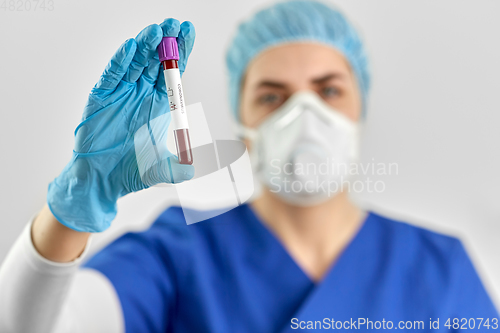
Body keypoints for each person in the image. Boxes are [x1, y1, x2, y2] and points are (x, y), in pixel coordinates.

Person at [0, 1, 498, 332]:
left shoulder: (440, 269)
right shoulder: (179, 254)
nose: (304, 117)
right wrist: (77, 202)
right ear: (244, 121)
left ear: (359, 107)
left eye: (328, 91)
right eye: (271, 96)